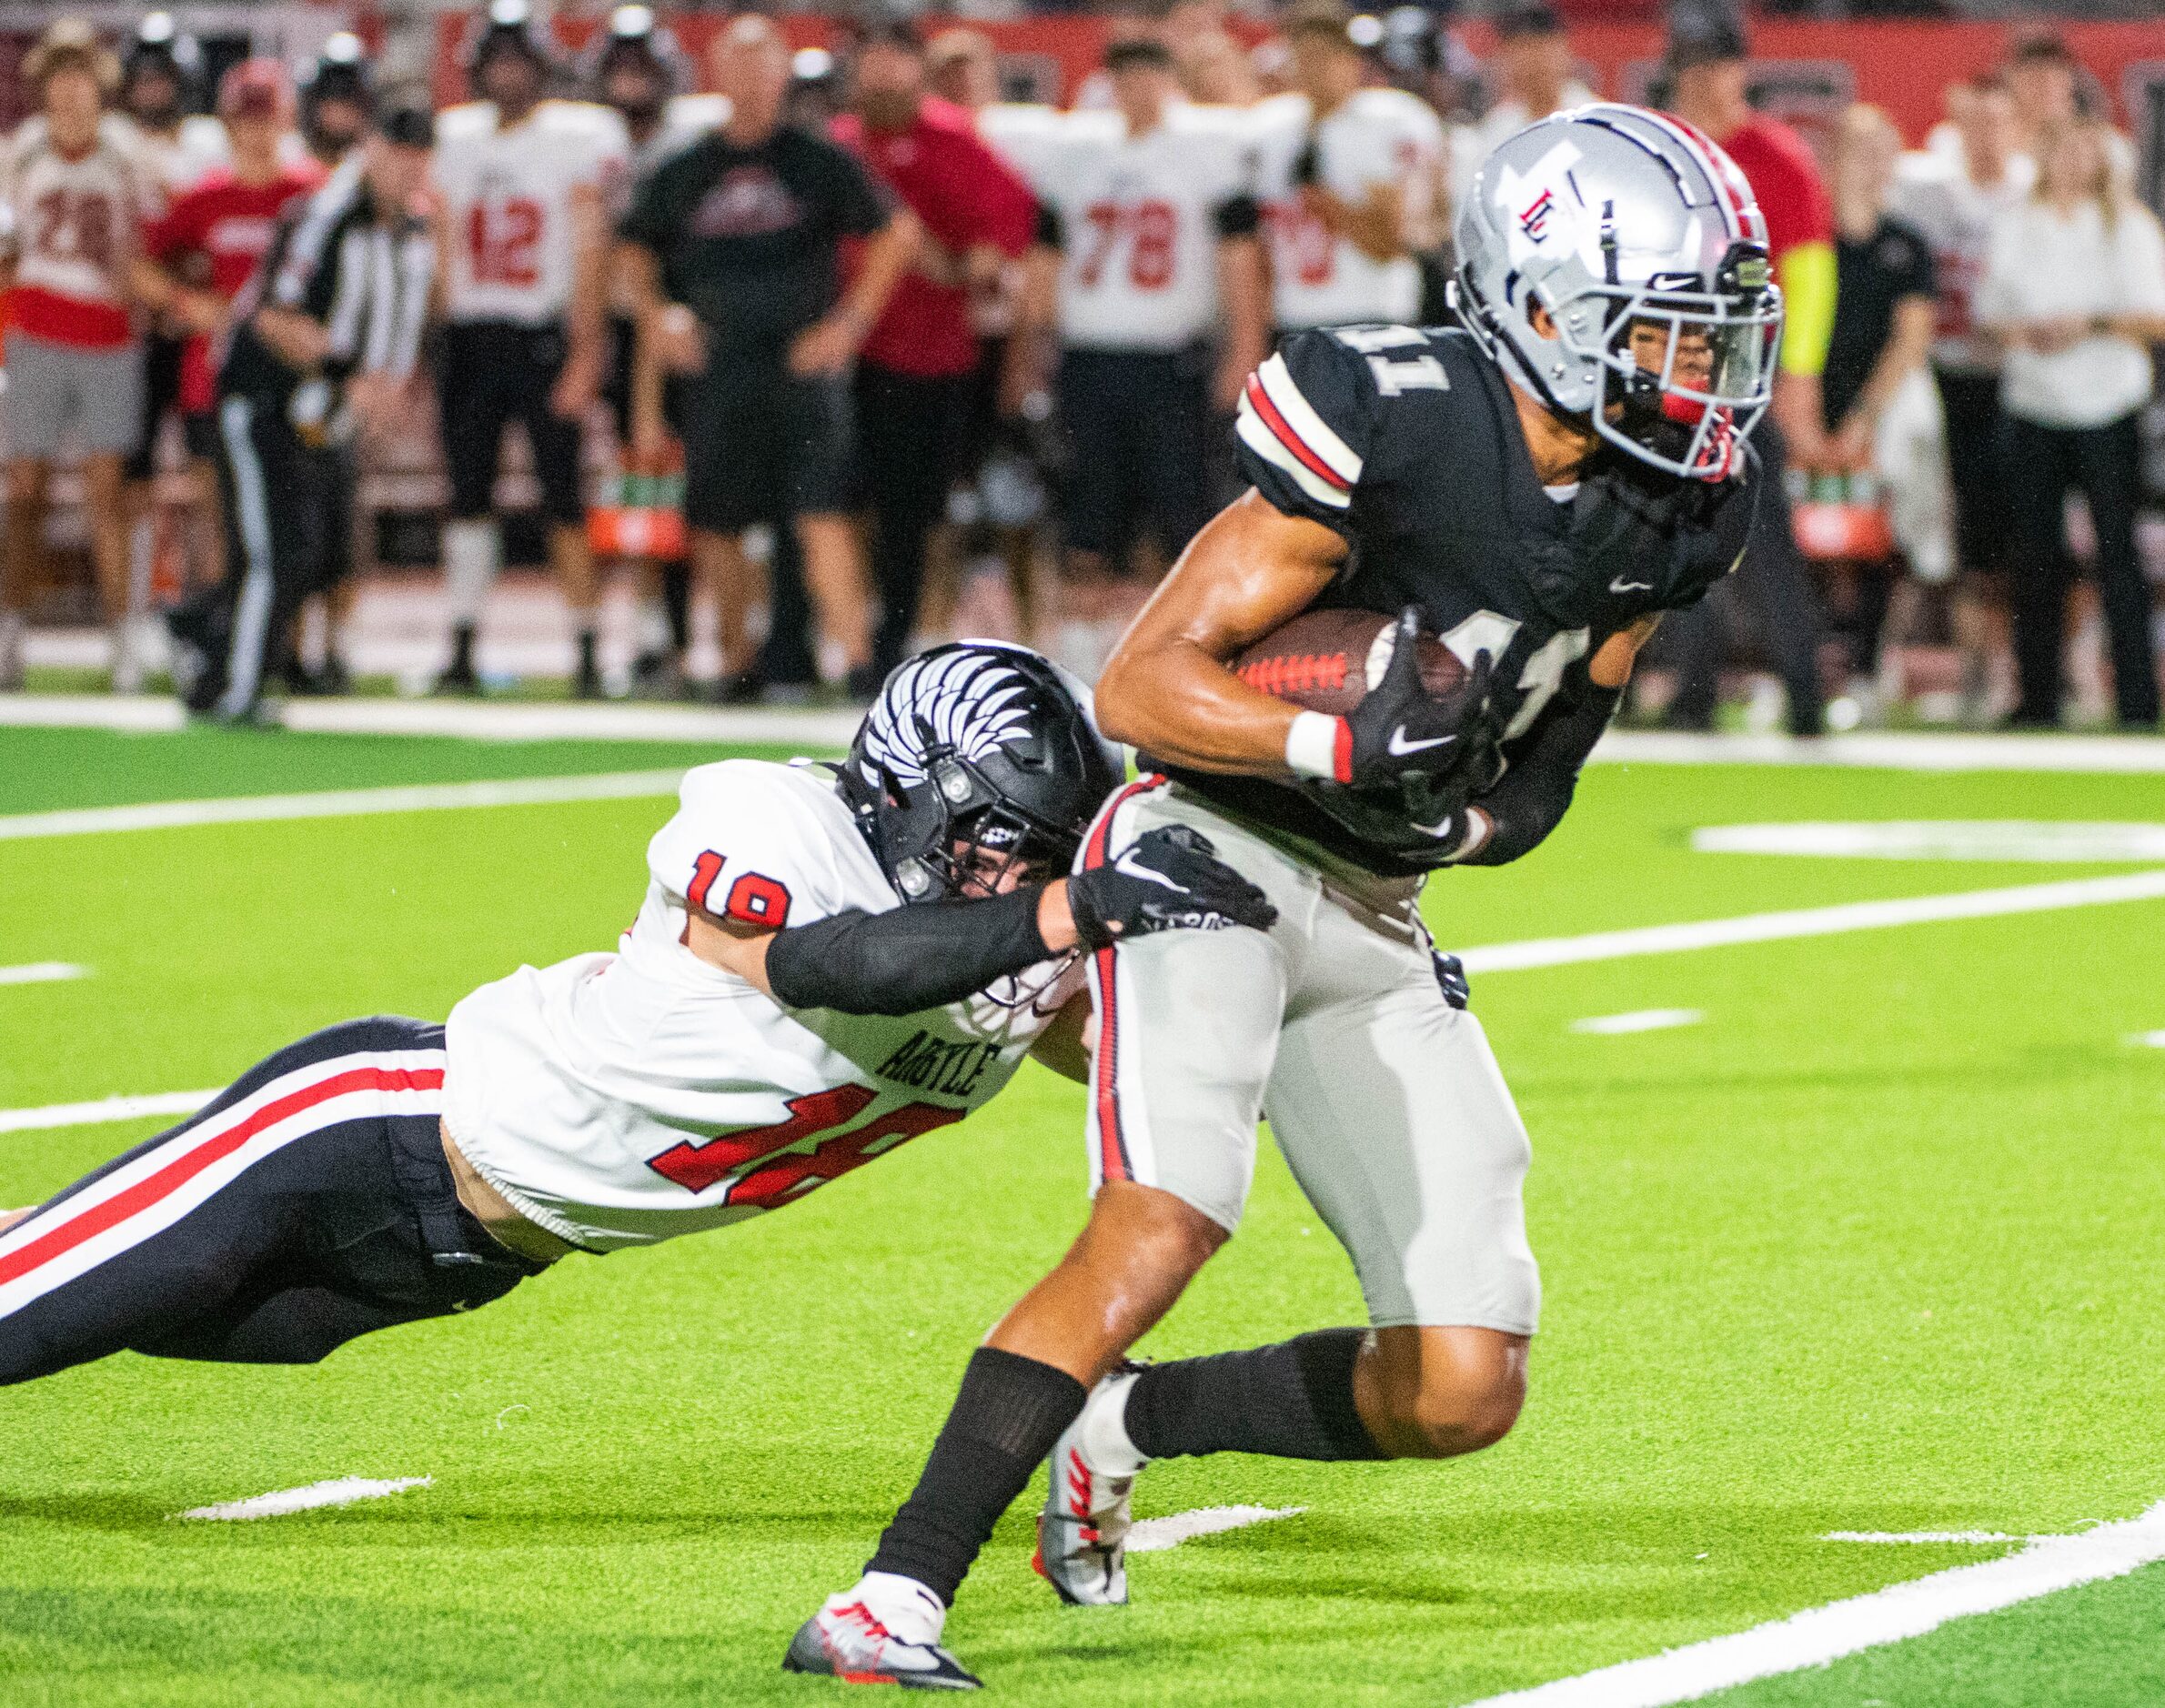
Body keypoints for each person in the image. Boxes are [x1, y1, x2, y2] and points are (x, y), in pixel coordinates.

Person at [788, 103, 1774, 1688]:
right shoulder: (1391, 411)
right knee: (1168, 1212)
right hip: (1212, 841)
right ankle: (890, 1593)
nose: (1705, 380)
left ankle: (1130, 1420)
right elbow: (1142, 685)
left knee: (1465, 1383)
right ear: (1537, 308)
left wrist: (1458, 821)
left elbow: (1551, 760)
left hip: (1375, 898)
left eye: (1719, 341)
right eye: (1666, 336)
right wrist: (1339, 729)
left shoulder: (1679, 508)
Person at [0, 643, 1272, 1388]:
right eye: (999, 848)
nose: (1021, 884)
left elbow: (1130, 1048)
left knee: (91, 1283)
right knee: (32, 1309)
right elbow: (832, 965)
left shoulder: (1007, 956)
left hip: (476, 1255)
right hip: (370, 1136)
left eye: (1044, 861)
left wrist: (1309, 989)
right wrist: (1072, 913)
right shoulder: (780, 824)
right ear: (908, 793)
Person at [619, 15, 918, 705]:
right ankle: (736, 662)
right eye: (737, 66)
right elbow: (631, 247)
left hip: (800, 368)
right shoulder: (687, 169)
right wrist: (659, 313)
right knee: (717, 522)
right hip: (720, 368)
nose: (751, 82)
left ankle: (856, 665)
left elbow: (895, 234)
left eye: (763, 66)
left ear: (783, 74)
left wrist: (848, 324)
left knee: (823, 514)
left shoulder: (816, 162)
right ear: (715, 75)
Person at [988, 37, 1268, 681]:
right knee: (1087, 513)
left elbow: (1238, 254)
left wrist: (1244, 343)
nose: (1136, 89)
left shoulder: (1204, 149)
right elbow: (1045, 259)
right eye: (1125, 77)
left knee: (1184, 513)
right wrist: (1028, 349)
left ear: (1168, 80)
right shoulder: (1077, 153)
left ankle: (1189, 651)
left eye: (1148, 75)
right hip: (1089, 357)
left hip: (1173, 358)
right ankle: (1084, 661)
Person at [161, 106, 436, 724]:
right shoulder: (325, 214)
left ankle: (200, 630)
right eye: (396, 150)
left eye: (419, 154)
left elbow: (399, 321)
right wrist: (351, 378)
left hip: (321, 417)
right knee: (274, 553)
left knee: (320, 554)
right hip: (263, 402)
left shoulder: (413, 227)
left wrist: (386, 387)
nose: (407, 166)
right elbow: (273, 317)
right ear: (372, 150)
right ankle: (235, 689)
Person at [431, 0, 629, 699]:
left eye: (520, 61)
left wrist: (586, 348)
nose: (508, 75)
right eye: (498, 61)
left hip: (540, 332)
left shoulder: (576, 138)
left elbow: (591, 244)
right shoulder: (454, 139)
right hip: (470, 333)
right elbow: (440, 247)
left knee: (564, 499)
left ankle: (586, 650)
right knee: (465, 497)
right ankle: (460, 645)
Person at [834, 18, 1036, 678]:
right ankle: (845, 639)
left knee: (910, 511)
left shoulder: (950, 139)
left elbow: (1001, 239)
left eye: (896, 61)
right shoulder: (837, 143)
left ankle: (900, 640)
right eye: (874, 61)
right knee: (833, 506)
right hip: (840, 355)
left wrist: (941, 263)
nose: (884, 75)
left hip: (925, 353)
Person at [1658, 3, 1825, 737]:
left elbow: (1810, 275)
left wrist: (1799, 375)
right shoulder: (1663, 149)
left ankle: (1805, 692)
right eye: (1694, 67)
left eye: (1717, 65)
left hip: (1743, 354)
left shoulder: (1774, 154)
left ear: (1740, 69)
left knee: (1762, 533)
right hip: (1664, 355)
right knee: (1678, 533)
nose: (1706, 81)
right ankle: (1694, 692)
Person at [133, 63, 326, 690]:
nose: (254, 132)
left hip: (294, 385)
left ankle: (282, 649)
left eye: (264, 117)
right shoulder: (206, 197)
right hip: (213, 380)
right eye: (244, 119)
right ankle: (224, 643)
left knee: (295, 523)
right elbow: (139, 264)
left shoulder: (309, 192)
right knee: (226, 526)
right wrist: (191, 306)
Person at [1977, 118, 2165, 731]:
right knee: (2035, 557)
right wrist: (2027, 334)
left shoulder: (2128, 227)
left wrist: (2089, 325)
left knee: (2118, 555)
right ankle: (2038, 698)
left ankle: (2137, 699)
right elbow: (1988, 314)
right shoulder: (2016, 225)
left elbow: (2154, 318)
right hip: (2035, 404)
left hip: (2108, 405)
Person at [0, 20, 162, 695]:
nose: (69, 89)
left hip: (105, 336)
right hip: (36, 330)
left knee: (107, 494)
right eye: (58, 75)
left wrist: (146, 286)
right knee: (25, 490)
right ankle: (10, 631)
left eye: (79, 74)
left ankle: (124, 635)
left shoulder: (128, 154)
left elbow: (155, 237)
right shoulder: (23, 151)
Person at [591, 3, 723, 697]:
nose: (631, 81)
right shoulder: (591, 140)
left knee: (698, 503)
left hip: (689, 340)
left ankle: (703, 639)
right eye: (621, 66)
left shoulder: (688, 146)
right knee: (647, 503)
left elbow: (657, 269)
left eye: (643, 66)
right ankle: (652, 640)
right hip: (635, 336)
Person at [1894, 73, 2030, 723]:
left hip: (2016, 381)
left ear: (2016, 123)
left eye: (1996, 120)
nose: (1985, 135)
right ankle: (1893, 667)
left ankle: (2001, 675)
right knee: (1920, 521)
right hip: (1935, 376)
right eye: (1972, 120)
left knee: (2001, 535)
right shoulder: (1924, 186)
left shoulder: (2032, 191)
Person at [1252, 0, 1445, 337]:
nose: (1315, 67)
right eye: (1305, 54)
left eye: (1327, 54)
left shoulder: (1391, 120)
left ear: (1352, 61)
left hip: (1373, 314)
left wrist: (1334, 209)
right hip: (1293, 319)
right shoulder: (1269, 128)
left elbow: (1397, 241)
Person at [1450, 1, 1592, 210]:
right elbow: (1471, 203)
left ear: (1564, 50)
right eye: (1518, 48)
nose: (1530, 60)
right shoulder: (1497, 129)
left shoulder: (1591, 118)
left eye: (1539, 47)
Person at [298, 33, 375, 171]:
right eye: (331, 106)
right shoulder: (296, 162)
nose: (339, 116)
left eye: (347, 108)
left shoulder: (371, 169)